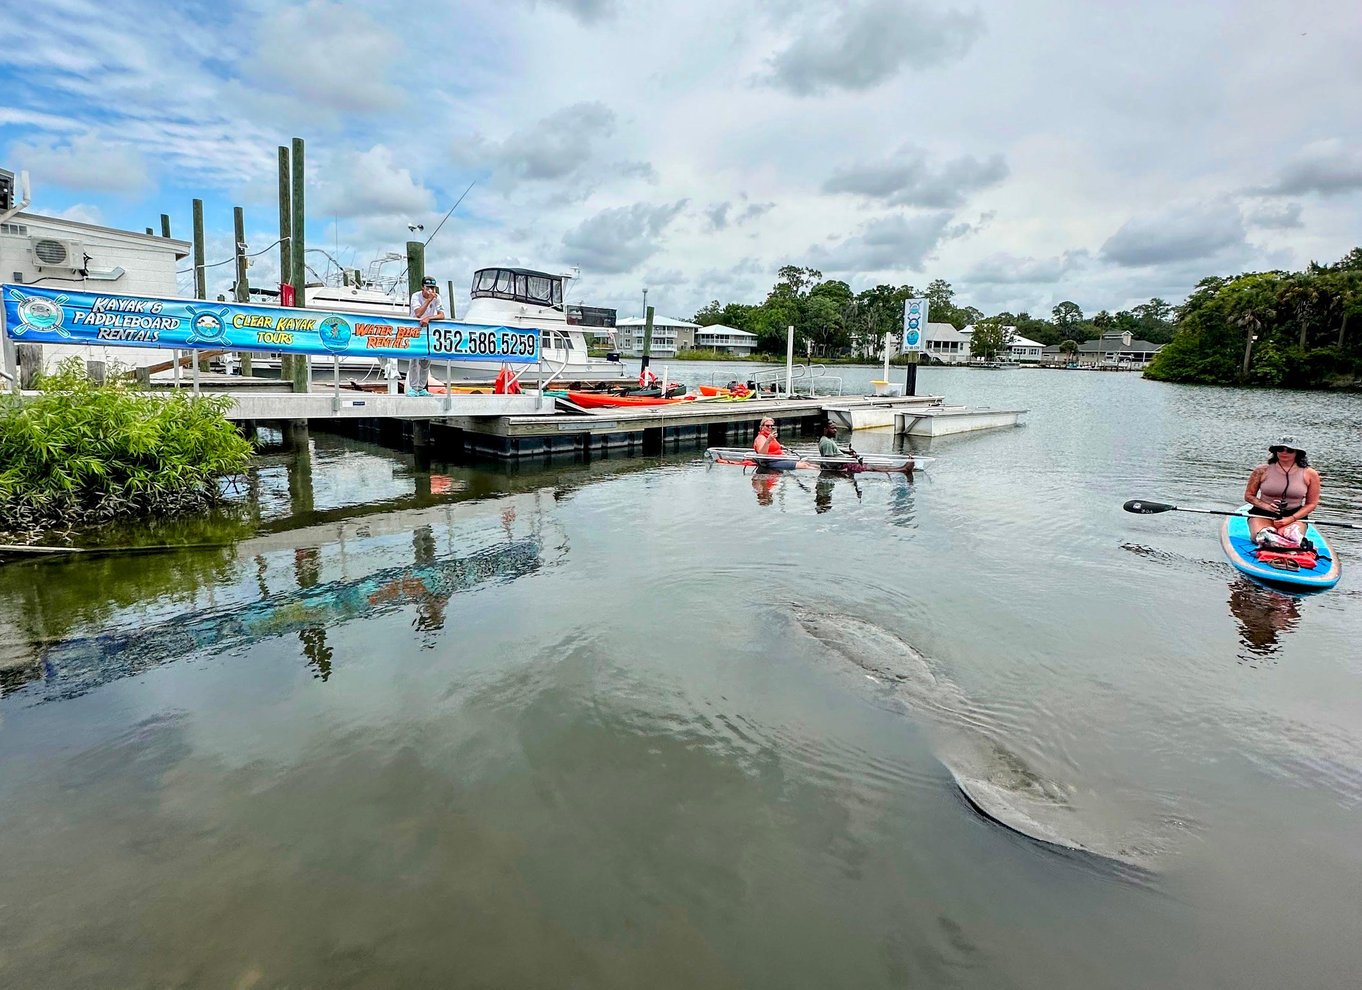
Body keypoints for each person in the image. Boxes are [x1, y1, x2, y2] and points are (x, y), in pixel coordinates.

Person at [1244, 436, 1320, 545]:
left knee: (1291, 538)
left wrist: (1291, 518)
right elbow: (1249, 496)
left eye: (1290, 450)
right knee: (1266, 538)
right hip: (1262, 514)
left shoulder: (1311, 474)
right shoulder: (1261, 470)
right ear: (1275, 451)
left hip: (1294, 515)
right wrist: (1267, 506)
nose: (1284, 452)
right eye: (1280, 449)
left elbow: (1311, 504)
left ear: (1298, 453)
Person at [408, 276, 445, 396]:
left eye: (433, 288)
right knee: (414, 360)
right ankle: (414, 388)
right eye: (428, 287)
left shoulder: (437, 297)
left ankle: (421, 387)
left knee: (426, 360)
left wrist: (429, 318)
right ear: (422, 288)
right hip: (415, 330)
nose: (431, 290)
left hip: (428, 330)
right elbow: (418, 313)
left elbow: (442, 315)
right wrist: (428, 300)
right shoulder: (415, 296)